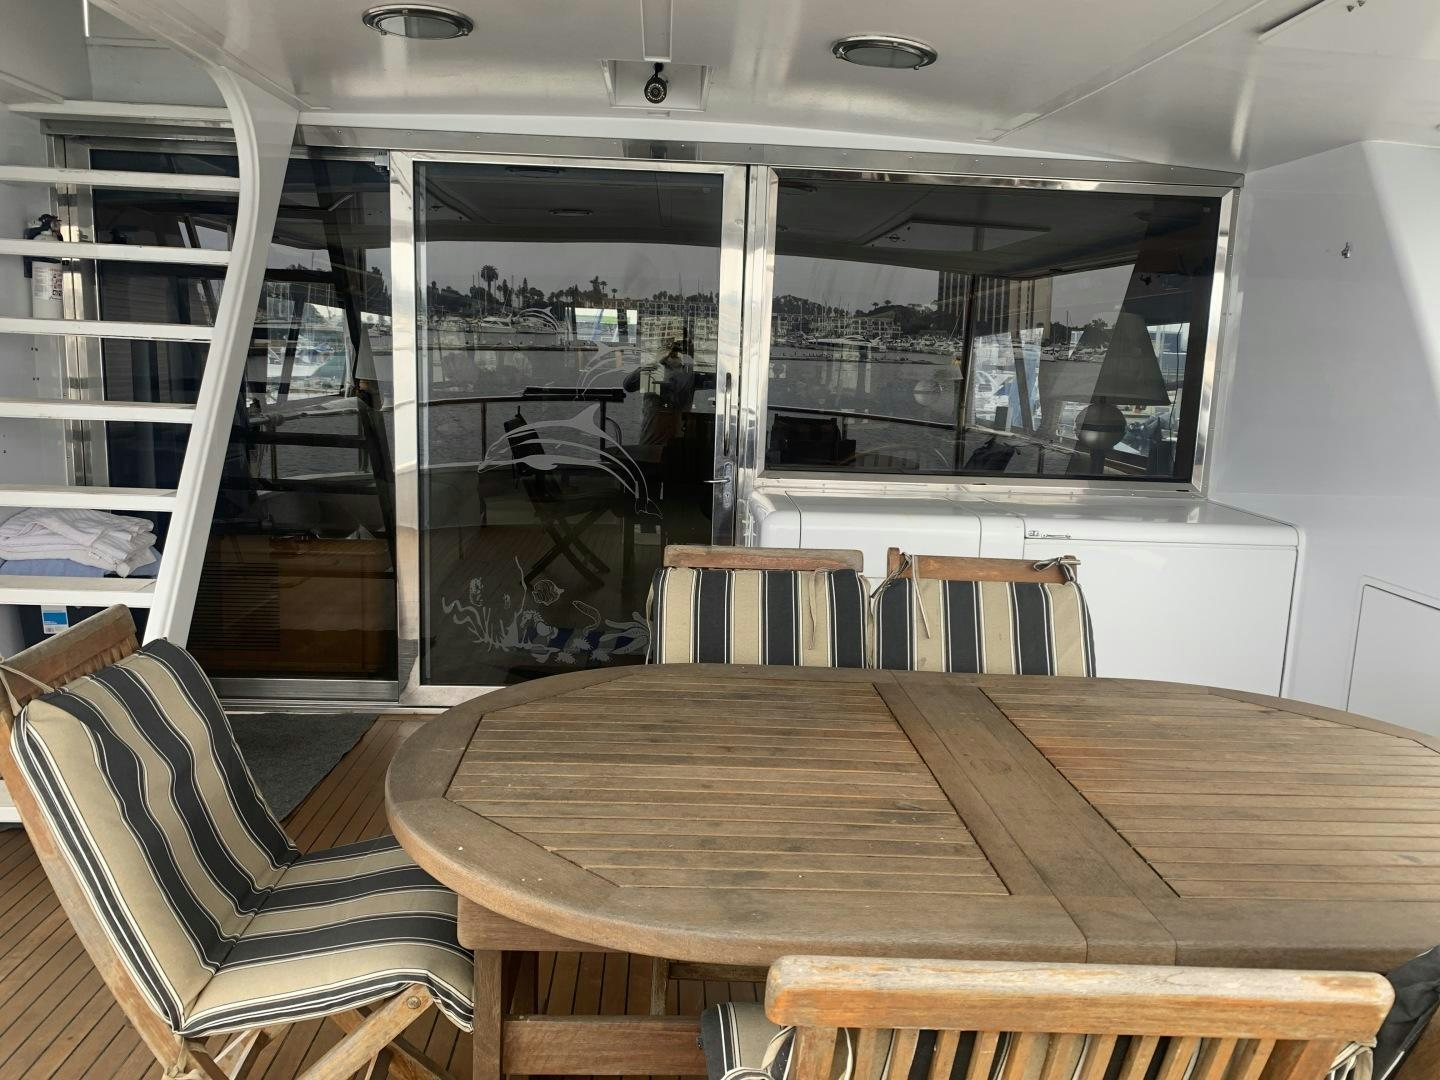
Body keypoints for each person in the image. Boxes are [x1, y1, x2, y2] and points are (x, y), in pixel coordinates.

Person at [622, 338, 696, 448]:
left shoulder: (690, 373)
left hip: (677, 442)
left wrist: (691, 357)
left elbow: (717, 381)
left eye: (679, 347)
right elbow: (628, 385)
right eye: (671, 346)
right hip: (652, 440)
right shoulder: (654, 370)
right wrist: (656, 361)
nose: (674, 350)